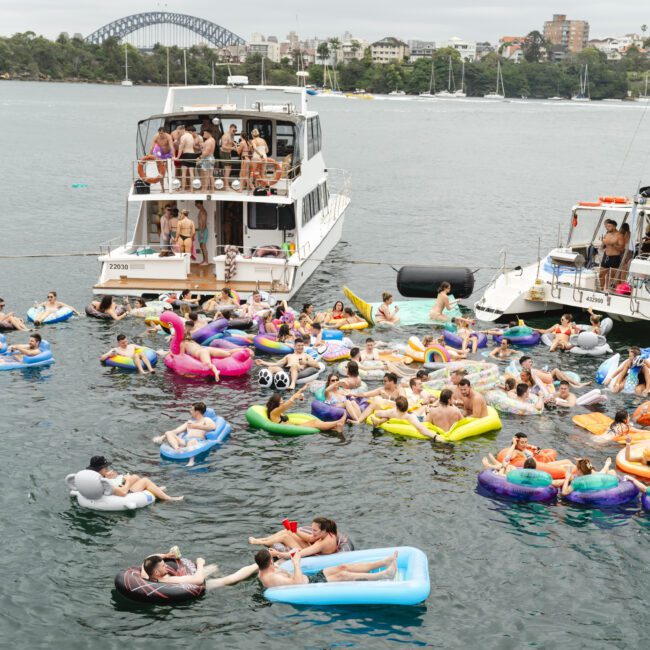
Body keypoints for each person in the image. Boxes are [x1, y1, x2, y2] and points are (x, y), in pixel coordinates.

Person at [256, 548, 398, 588]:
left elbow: (272, 567)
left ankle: (383, 562)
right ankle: (385, 575)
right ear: (269, 562)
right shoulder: (272, 577)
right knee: (344, 575)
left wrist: (280, 556)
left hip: (311, 578)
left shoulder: (265, 570)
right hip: (310, 584)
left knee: (342, 566)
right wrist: (296, 563)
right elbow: (297, 584)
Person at [141, 551, 258, 591]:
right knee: (230, 579)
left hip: (189, 578)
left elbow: (149, 558)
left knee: (214, 567)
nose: (166, 566)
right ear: (156, 573)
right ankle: (257, 565)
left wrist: (166, 555)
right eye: (163, 566)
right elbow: (198, 580)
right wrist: (200, 563)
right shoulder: (169, 580)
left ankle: (218, 573)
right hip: (201, 586)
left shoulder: (146, 574)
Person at [87, 455, 182, 501]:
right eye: (105, 467)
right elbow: (123, 493)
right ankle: (169, 499)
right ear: (101, 468)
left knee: (135, 477)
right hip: (121, 495)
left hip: (115, 489)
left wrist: (112, 477)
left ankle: (156, 489)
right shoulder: (104, 482)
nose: (107, 469)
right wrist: (127, 481)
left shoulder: (93, 476)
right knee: (145, 480)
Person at [249, 516, 341, 557]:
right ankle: (263, 539)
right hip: (312, 549)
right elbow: (309, 538)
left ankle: (260, 542)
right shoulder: (328, 532)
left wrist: (278, 554)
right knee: (287, 531)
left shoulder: (322, 544)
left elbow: (299, 554)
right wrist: (295, 530)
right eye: (312, 529)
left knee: (285, 537)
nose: (312, 532)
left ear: (323, 530)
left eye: (315, 530)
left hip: (311, 555)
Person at [179, 325, 244, 381]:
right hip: (206, 349)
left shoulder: (183, 343)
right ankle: (244, 349)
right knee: (228, 353)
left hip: (201, 352)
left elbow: (182, 356)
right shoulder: (192, 341)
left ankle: (216, 372)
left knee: (207, 364)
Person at [265, 388, 347, 432]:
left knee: (316, 422)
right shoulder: (274, 412)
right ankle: (339, 422)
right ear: (276, 402)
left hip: (292, 427)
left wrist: (302, 390)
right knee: (314, 423)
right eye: (280, 401)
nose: (282, 402)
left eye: (282, 400)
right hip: (291, 429)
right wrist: (294, 398)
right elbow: (286, 405)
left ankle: (337, 429)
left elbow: (287, 404)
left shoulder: (279, 411)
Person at [152, 402, 217, 455]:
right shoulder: (189, 422)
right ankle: (177, 449)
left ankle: (189, 457)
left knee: (192, 441)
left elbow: (212, 427)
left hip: (197, 441)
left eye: (192, 410)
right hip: (185, 441)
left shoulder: (206, 419)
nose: (190, 411)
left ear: (197, 412)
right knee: (168, 432)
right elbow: (176, 431)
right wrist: (163, 437)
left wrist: (196, 426)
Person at [255, 338, 320, 390]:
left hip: (298, 370)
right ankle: (265, 384)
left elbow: (317, 366)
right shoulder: (289, 356)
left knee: (294, 366)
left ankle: (292, 384)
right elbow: (277, 364)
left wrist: (306, 362)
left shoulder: (306, 356)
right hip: (287, 371)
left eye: (302, 345)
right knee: (272, 368)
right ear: (294, 346)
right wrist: (262, 362)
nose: (301, 347)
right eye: (299, 345)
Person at [519, 355, 590, 389]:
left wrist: (543, 371)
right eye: (529, 362)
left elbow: (538, 374)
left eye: (531, 362)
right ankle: (575, 385)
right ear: (524, 363)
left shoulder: (530, 369)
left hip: (548, 377)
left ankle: (577, 384)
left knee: (560, 373)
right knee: (556, 370)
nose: (531, 363)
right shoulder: (525, 372)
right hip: (547, 380)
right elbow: (532, 381)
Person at [598, 219, 625, 290]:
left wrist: (613, 245)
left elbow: (622, 249)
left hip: (615, 258)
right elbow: (603, 246)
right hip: (606, 257)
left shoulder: (619, 235)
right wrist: (602, 243)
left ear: (614, 226)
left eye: (609, 226)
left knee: (613, 277)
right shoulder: (607, 234)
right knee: (601, 275)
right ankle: (601, 290)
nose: (607, 228)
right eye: (606, 226)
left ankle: (611, 292)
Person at [175, 125, 198, 190]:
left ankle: (183, 189)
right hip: (193, 154)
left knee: (184, 173)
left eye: (178, 132)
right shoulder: (190, 135)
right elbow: (193, 145)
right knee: (191, 173)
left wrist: (177, 157)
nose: (178, 133)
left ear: (182, 129)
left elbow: (180, 148)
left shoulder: (183, 136)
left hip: (186, 154)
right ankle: (192, 189)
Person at [219, 123, 237, 189]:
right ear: (230, 128)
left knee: (229, 169)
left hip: (228, 153)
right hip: (224, 153)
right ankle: (226, 186)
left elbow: (230, 142)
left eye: (235, 131)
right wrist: (232, 148)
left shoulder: (231, 135)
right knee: (227, 170)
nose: (234, 132)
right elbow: (223, 146)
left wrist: (234, 144)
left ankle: (225, 185)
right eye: (233, 130)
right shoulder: (225, 136)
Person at [193, 200, 210, 265]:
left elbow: (204, 223)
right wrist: (197, 230)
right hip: (201, 231)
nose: (196, 206)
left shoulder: (203, 212)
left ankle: (206, 261)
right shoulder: (200, 211)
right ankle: (204, 260)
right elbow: (200, 224)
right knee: (201, 246)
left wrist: (202, 233)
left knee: (203, 246)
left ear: (200, 204)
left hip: (203, 231)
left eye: (196, 204)